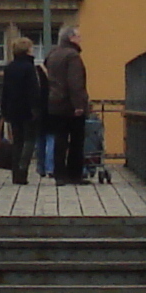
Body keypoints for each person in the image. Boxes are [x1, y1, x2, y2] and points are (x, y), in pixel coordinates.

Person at [0, 34, 47, 185]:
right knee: (29, 140)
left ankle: (16, 174)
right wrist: (36, 109)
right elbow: (33, 90)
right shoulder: (29, 68)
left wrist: (4, 110)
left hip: (13, 109)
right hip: (28, 110)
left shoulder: (9, 68)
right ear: (27, 50)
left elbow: (5, 90)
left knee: (17, 141)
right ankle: (22, 168)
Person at [43, 26, 91, 186]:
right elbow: (75, 82)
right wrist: (79, 105)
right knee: (76, 140)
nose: (80, 39)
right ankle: (74, 174)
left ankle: (59, 175)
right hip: (70, 104)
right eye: (78, 36)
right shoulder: (73, 56)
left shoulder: (52, 54)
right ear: (71, 38)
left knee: (60, 139)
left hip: (54, 103)